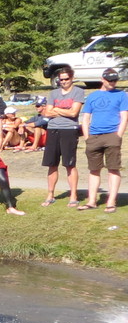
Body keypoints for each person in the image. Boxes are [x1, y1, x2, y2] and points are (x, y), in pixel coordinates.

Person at [76, 67, 128, 213]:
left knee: (113, 168)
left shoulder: (122, 95)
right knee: (94, 170)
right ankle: (92, 201)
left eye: (115, 80)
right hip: (94, 137)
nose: (113, 83)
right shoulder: (93, 96)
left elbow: (124, 116)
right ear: (102, 80)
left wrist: (118, 135)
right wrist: (87, 137)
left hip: (112, 135)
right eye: (110, 80)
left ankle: (111, 202)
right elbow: (86, 118)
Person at [40, 65, 85, 206]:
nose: (64, 82)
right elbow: (47, 112)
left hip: (69, 129)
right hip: (53, 129)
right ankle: (50, 194)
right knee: (52, 164)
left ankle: (73, 196)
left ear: (72, 78)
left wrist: (56, 109)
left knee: (69, 164)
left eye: (66, 79)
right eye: (61, 80)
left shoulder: (78, 92)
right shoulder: (53, 94)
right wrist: (64, 110)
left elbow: (74, 113)